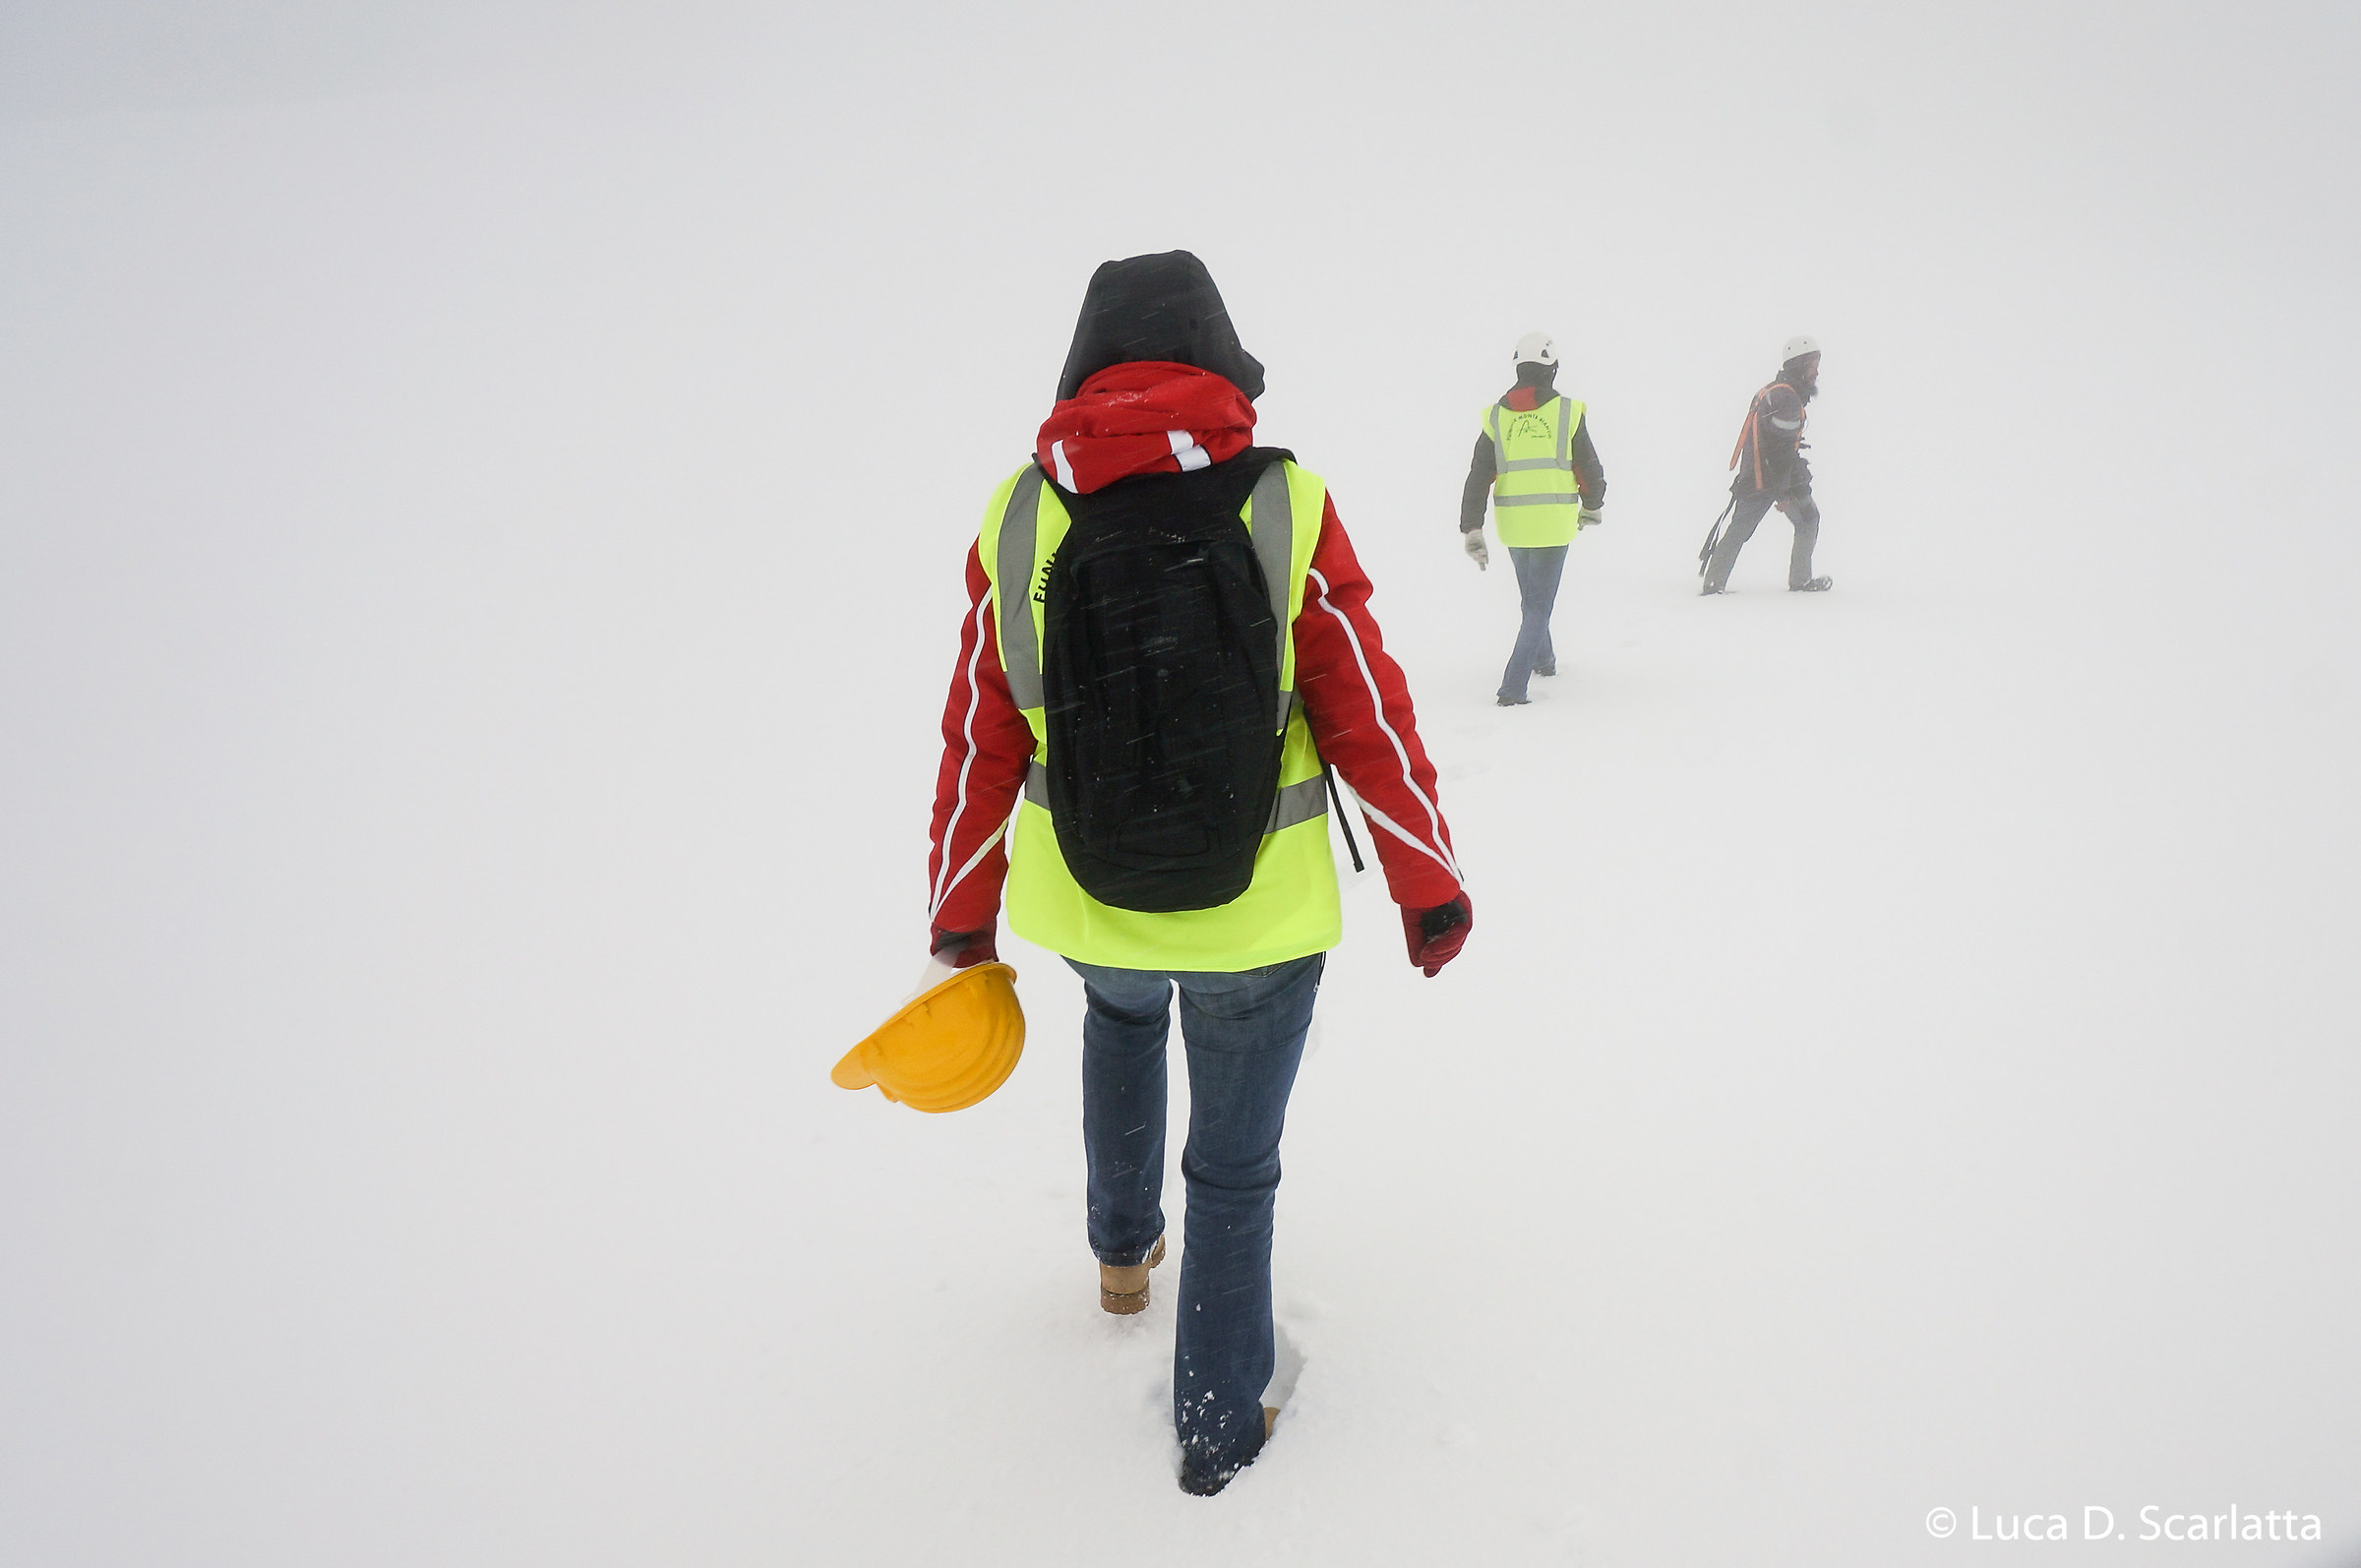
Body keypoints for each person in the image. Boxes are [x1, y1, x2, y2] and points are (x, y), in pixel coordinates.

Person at [924, 252, 1472, 1497]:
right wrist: (1423, 875)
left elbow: (981, 734)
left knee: (1119, 1021)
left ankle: (1122, 1256)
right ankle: (1219, 1423)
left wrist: (962, 919)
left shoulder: (1020, 516)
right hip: (1258, 917)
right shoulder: (1286, 503)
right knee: (1236, 1164)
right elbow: (1364, 710)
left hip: (1091, 903)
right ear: (1220, 361)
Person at [1459, 332, 1606, 705]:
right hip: (1554, 523)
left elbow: (1479, 475)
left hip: (1513, 525)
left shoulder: (1496, 417)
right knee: (1539, 606)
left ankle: (1545, 659)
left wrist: (1473, 526)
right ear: (1552, 369)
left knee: (1532, 601)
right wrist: (1592, 503)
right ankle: (1513, 687)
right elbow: (1587, 465)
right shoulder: (1567, 412)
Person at [1701, 335, 1833, 594]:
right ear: (1799, 364)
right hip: (1771, 478)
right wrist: (1786, 493)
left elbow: (1771, 443)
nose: (1817, 371)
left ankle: (1714, 583)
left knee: (1739, 529)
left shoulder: (1776, 391)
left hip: (1756, 475)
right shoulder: (1787, 398)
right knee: (1807, 519)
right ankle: (1801, 581)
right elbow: (1779, 450)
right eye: (1812, 364)